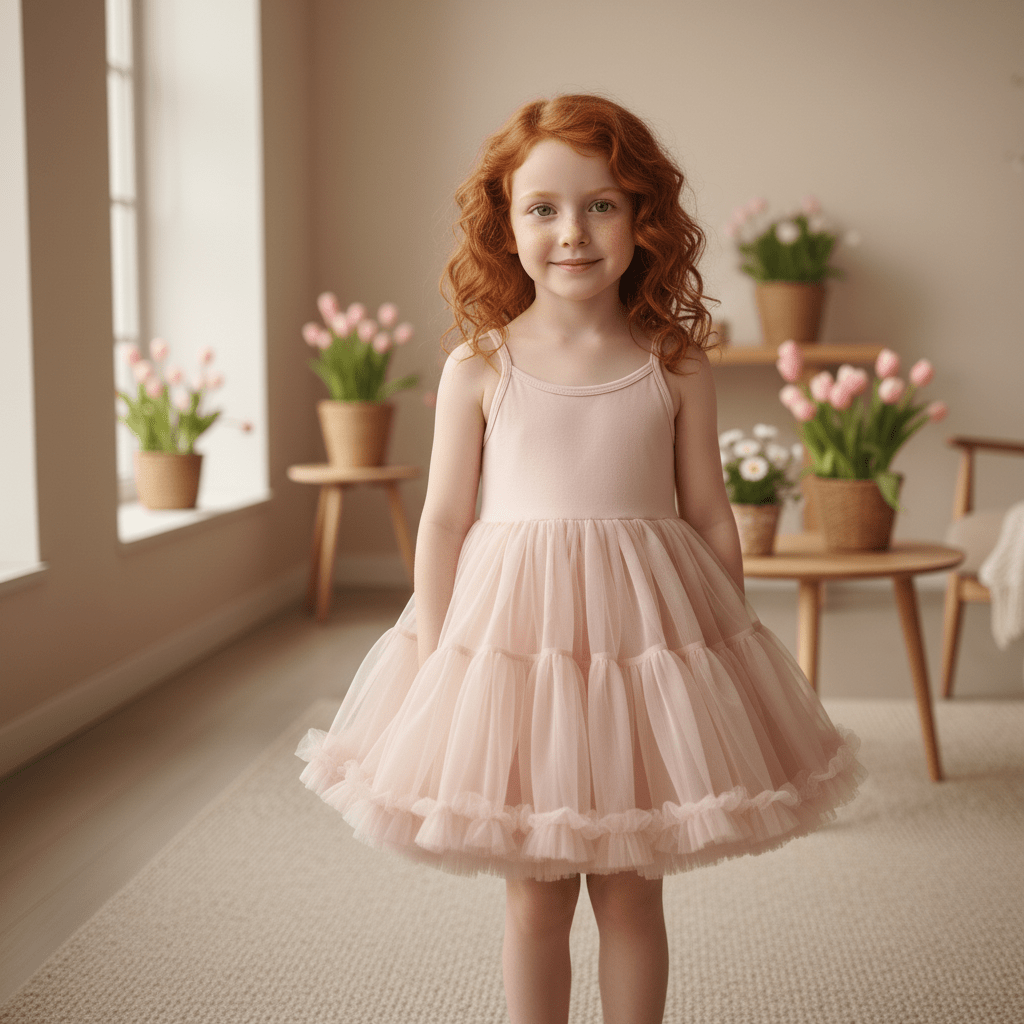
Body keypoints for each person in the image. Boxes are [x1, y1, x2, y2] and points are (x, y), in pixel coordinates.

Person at [297, 93, 866, 1024]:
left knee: (634, 886)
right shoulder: (479, 364)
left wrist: (720, 650)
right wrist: (444, 658)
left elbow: (710, 516)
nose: (573, 231)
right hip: (512, 649)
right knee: (536, 889)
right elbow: (443, 521)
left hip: (649, 644)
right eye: (544, 208)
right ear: (504, 223)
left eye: (601, 204)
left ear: (645, 217)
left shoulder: (674, 360)